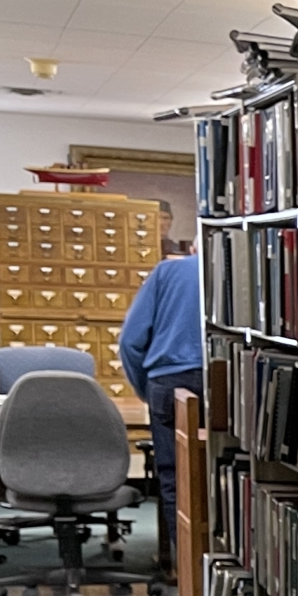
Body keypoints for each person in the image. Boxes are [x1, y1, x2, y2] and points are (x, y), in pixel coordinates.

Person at [118, 227, 202, 578]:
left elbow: (131, 341)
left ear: (193, 246)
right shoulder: (235, 268)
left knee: (174, 477)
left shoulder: (167, 272)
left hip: (169, 381)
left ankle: (185, 572)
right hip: (227, 379)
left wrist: (145, 389)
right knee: (225, 471)